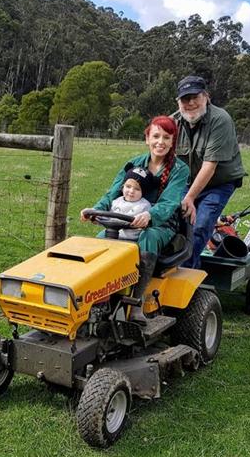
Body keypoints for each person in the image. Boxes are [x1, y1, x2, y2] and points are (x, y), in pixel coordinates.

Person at [80, 116, 189, 324]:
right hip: (126, 219)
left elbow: (169, 203)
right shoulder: (134, 163)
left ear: (172, 142)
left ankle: (136, 302)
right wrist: (96, 209)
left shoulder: (179, 170)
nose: (160, 142)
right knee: (101, 239)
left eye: (166, 137)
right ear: (147, 138)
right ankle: (99, 298)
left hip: (161, 224)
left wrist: (150, 216)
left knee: (148, 237)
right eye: (156, 136)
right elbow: (114, 192)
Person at [172, 75, 246, 269]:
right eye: (185, 99)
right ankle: (184, 265)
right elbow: (162, 158)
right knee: (175, 222)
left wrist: (189, 198)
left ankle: (185, 273)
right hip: (188, 180)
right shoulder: (173, 122)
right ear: (178, 102)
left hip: (219, 183)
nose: (190, 103)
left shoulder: (220, 119)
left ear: (206, 96)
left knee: (201, 225)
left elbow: (209, 166)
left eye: (194, 97)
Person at [110, 166, 155, 241]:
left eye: (137, 189)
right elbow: (109, 217)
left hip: (132, 240)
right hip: (114, 235)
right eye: (128, 186)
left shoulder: (144, 206)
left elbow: (145, 223)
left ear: (143, 192)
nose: (131, 191)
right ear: (123, 186)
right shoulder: (116, 201)